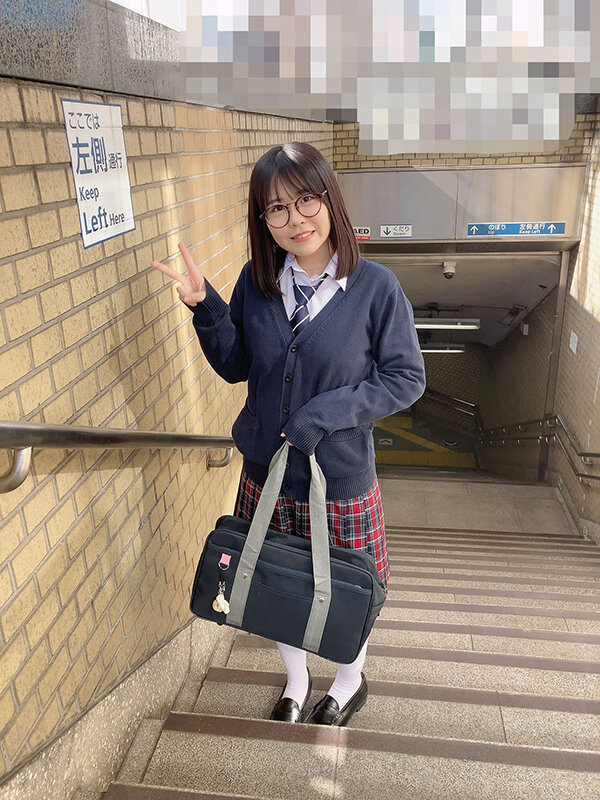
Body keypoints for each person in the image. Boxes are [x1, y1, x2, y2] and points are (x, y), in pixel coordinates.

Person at [151, 141, 425, 727]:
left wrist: (322, 415)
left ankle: (348, 683)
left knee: (349, 591)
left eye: (306, 200)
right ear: (263, 219)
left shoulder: (376, 288)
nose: (295, 219)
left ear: (330, 200)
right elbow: (237, 365)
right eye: (277, 208)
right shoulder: (258, 283)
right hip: (265, 477)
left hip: (340, 482)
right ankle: (297, 683)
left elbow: (406, 378)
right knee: (276, 584)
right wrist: (206, 307)